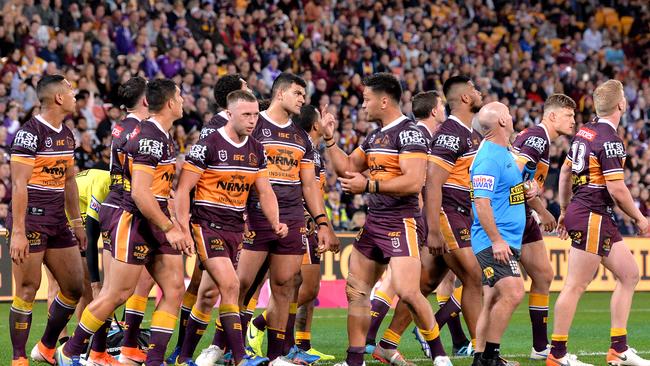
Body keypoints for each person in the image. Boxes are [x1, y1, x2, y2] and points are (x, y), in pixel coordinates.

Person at [56, 78, 192, 366]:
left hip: (150, 215)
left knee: (174, 288)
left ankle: (153, 359)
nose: (183, 100)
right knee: (117, 293)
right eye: (179, 96)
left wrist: (172, 223)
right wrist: (170, 228)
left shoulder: (159, 134)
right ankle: (70, 351)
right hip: (130, 216)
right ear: (169, 103)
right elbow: (141, 193)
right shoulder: (151, 139)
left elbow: (156, 189)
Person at [322, 72, 451, 366]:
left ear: (383, 101)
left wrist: (367, 185)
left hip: (401, 221)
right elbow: (347, 167)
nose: (362, 105)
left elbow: (413, 181)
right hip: (374, 221)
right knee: (357, 292)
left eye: (366, 99)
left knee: (408, 291)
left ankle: (441, 356)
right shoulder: (375, 136)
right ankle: (355, 360)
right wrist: (329, 140)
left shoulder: (409, 133)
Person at [173, 90, 286, 365]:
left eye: (255, 115)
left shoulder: (256, 149)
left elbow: (265, 190)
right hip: (206, 225)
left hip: (235, 228)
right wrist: (183, 229)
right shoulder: (207, 144)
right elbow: (183, 189)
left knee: (209, 293)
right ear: (229, 113)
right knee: (232, 285)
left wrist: (275, 221)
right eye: (246, 114)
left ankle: (184, 356)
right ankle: (240, 357)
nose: (252, 120)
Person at [236, 72, 338, 365]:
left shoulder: (301, 137)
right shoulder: (254, 126)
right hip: (256, 215)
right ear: (280, 94)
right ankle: (230, 348)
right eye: (297, 93)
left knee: (285, 285)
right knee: (241, 284)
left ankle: (277, 354)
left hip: (292, 217)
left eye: (304, 96)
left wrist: (322, 223)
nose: (302, 100)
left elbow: (309, 185)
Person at [548, 80, 650, 366]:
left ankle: (619, 348)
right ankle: (556, 354)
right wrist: (640, 218)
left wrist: (565, 208)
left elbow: (566, 171)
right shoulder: (610, 139)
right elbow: (617, 189)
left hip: (591, 212)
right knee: (575, 285)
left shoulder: (585, 131)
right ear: (622, 104)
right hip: (593, 213)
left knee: (629, 275)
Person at [169, 72, 252, 365]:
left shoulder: (223, 125)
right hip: (212, 219)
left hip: (219, 219)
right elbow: (194, 177)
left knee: (204, 288)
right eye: (246, 89)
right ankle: (194, 349)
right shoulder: (222, 129)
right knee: (210, 287)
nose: (250, 92)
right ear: (233, 99)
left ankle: (186, 350)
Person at [8, 74, 88, 366]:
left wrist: (77, 223)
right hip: (30, 219)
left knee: (74, 287)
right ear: (58, 98)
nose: (74, 95)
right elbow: (19, 185)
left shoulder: (67, 134)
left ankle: (46, 346)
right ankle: (18, 358)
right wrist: (17, 231)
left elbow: (69, 180)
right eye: (70, 90)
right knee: (28, 289)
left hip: (57, 219)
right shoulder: (29, 133)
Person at [511, 93, 577, 359]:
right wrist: (541, 208)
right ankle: (434, 326)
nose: (573, 121)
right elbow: (513, 174)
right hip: (512, 214)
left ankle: (540, 347)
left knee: (543, 275)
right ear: (552, 116)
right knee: (493, 287)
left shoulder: (540, 139)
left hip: (523, 213)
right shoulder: (537, 138)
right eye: (568, 115)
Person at [470, 102, 536, 366]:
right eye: (507, 113)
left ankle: (480, 357)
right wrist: (496, 240)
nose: (512, 116)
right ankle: (491, 358)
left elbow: (505, 192)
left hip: (506, 238)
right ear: (500, 122)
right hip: (494, 241)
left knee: (492, 299)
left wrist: (530, 190)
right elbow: (481, 203)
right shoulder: (488, 158)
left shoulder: (504, 152)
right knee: (514, 292)